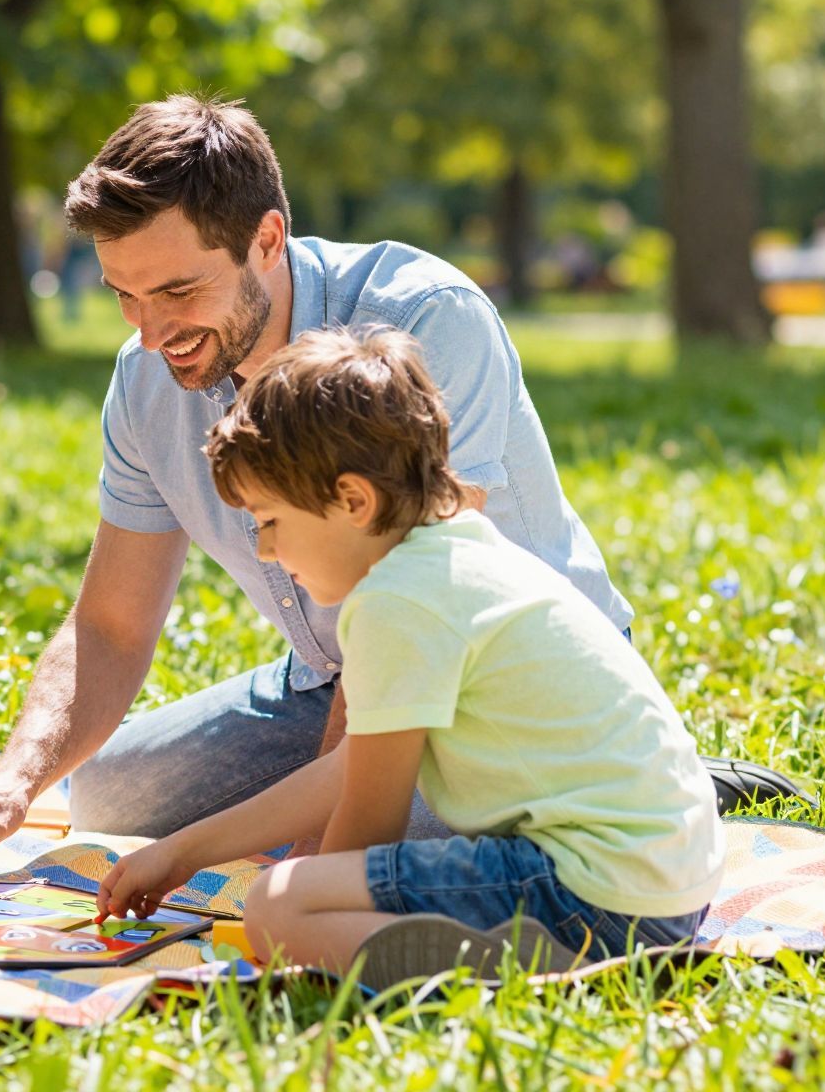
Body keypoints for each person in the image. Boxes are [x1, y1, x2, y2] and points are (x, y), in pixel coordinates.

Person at [0, 95, 783, 882]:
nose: (150, 332)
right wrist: (13, 779)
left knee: (380, 855)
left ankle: (638, 778)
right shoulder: (145, 380)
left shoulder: (425, 320)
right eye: (124, 296)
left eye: (177, 290)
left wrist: (318, 861)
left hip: (501, 690)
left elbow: (416, 595)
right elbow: (111, 623)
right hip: (333, 678)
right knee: (107, 794)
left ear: (267, 240)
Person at [97, 328, 723, 981]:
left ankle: (528, 975)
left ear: (353, 501)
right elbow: (346, 771)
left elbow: (370, 818)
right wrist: (181, 853)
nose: (265, 551)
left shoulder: (395, 601)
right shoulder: (454, 552)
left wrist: (308, 905)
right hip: (667, 892)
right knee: (294, 898)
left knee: (278, 907)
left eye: (270, 521)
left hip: (591, 894)